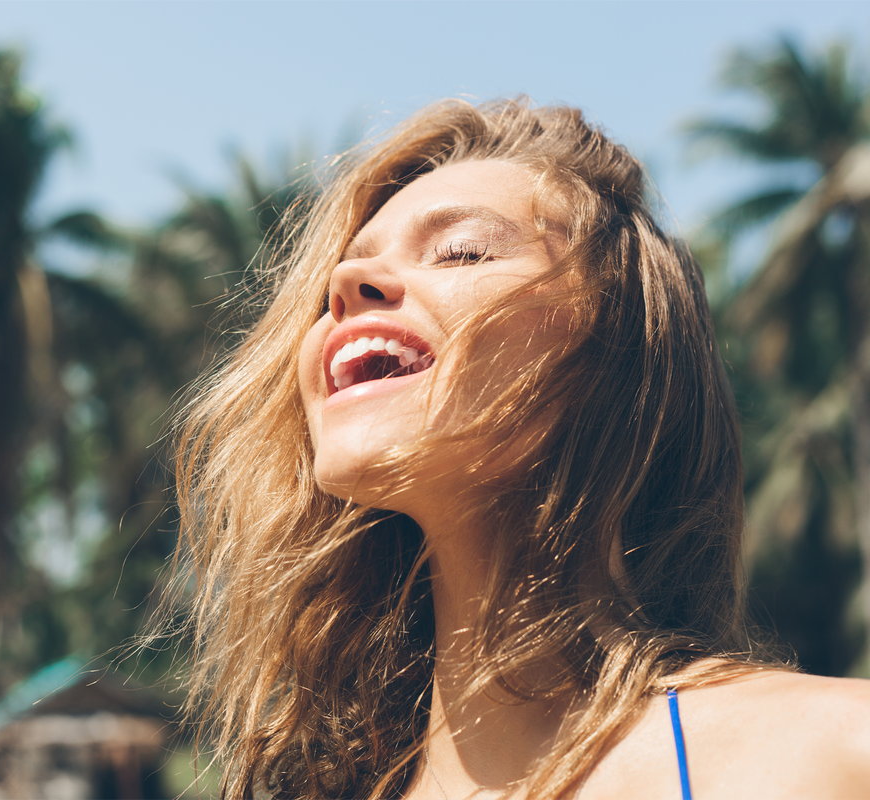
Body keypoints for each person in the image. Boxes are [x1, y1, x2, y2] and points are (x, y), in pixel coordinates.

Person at [167, 98, 870, 799]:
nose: (346, 289)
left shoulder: (832, 754)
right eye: (339, 279)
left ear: (616, 342)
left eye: (461, 250)